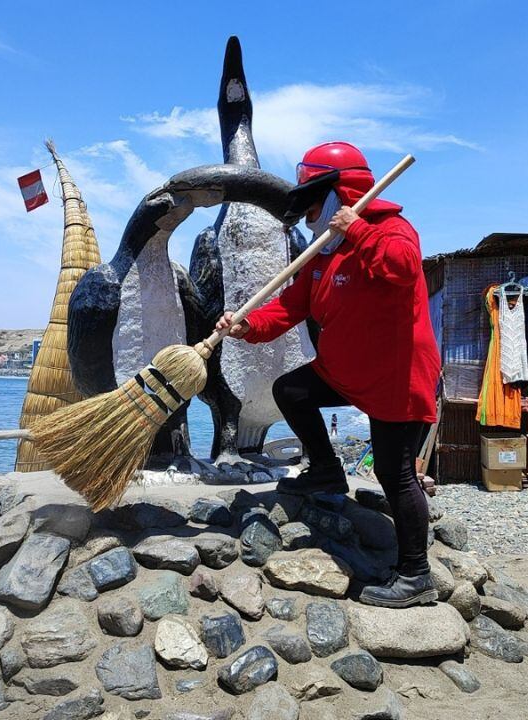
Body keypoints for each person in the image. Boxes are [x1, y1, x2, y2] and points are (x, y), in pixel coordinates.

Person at [215, 141, 441, 608]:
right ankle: (325, 472)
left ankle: (416, 576)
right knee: (291, 390)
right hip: (345, 370)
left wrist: (357, 228)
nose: (308, 217)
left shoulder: (391, 229)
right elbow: (288, 307)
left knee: (394, 473)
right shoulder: (324, 254)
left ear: (341, 194)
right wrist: (246, 325)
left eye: (313, 204)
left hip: (395, 376)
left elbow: (402, 267)